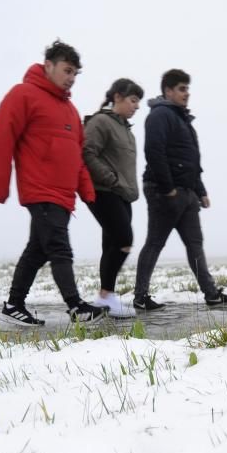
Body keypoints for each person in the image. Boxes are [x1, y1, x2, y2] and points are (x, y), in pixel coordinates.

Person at [0, 40, 107, 325]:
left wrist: (86, 188)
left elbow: (75, 154)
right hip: (40, 190)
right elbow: (1, 138)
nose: (71, 78)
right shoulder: (23, 95)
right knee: (59, 248)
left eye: (75, 74)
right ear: (48, 66)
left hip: (63, 195)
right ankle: (76, 306)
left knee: (38, 250)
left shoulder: (69, 110)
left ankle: (14, 305)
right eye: (67, 70)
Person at [133, 69, 227, 311]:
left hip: (187, 192)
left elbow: (192, 160)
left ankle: (211, 294)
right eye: (181, 89)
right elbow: (154, 152)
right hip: (165, 192)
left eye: (187, 89)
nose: (186, 93)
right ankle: (140, 297)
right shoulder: (160, 115)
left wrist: (200, 191)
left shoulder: (183, 120)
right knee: (155, 243)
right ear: (168, 91)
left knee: (195, 244)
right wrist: (168, 189)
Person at [82, 78, 144, 318]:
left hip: (123, 194)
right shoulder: (101, 122)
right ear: (117, 97)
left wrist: (125, 187)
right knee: (124, 239)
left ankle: (105, 298)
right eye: (133, 100)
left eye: (138, 101)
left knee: (111, 244)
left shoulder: (126, 129)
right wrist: (110, 179)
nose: (136, 106)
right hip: (104, 191)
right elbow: (87, 152)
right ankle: (106, 296)